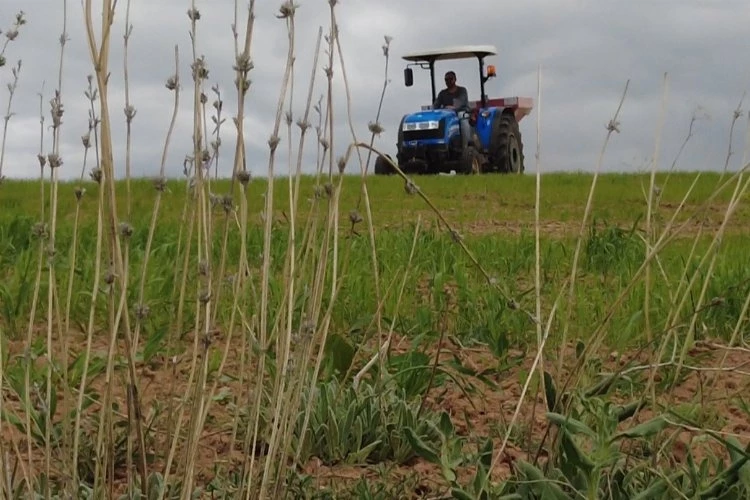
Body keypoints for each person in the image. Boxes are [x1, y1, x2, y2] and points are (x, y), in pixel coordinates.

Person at [433, 71, 472, 148]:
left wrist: (453, 107)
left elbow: (461, 102)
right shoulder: (442, 93)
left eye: (450, 79)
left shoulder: (462, 90)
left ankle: (466, 146)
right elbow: (435, 105)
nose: (448, 81)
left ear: (455, 79)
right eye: (446, 80)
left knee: (463, 118)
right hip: (448, 114)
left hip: (461, 112)